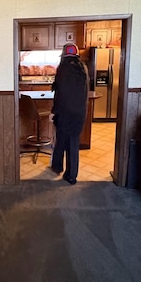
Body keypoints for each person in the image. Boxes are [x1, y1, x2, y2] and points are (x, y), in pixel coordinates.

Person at [50, 42, 89, 185]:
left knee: (61, 139)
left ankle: (57, 167)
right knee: (73, 142)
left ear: (64, 55)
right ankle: (71, 175)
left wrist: (54, 111)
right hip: (79, 112)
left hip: (65, 111)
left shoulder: (63, 68)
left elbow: (60, 94)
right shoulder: (83, 68)